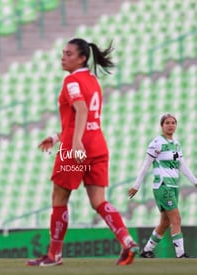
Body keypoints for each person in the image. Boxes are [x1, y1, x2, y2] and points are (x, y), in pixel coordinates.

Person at [26, 38, 138, 267]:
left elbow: (81, 109)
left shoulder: (72, 81)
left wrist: (74, 141)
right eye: (63, 53)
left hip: (75, 149)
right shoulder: (93, 81)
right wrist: (58, 136)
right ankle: (127, 241)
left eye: (68, 54)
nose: (63, 57)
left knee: (59, 198)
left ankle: (54, 255)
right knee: (99, 201)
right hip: (97, 144)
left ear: (82, 58)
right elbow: (84, 118)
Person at [128, 114, 197, 258]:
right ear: (162, 125)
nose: (170, 125)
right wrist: (136, 186)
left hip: (173, 186)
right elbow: (146, 165)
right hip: (163, 186)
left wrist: (195, 181)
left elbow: (182, 166)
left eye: (173, 122)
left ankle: (147, 250)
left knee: (165, 222)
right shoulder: (156, 143)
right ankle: (180, 254)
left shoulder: (176, 144)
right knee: (176, 218)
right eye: (167, 123)